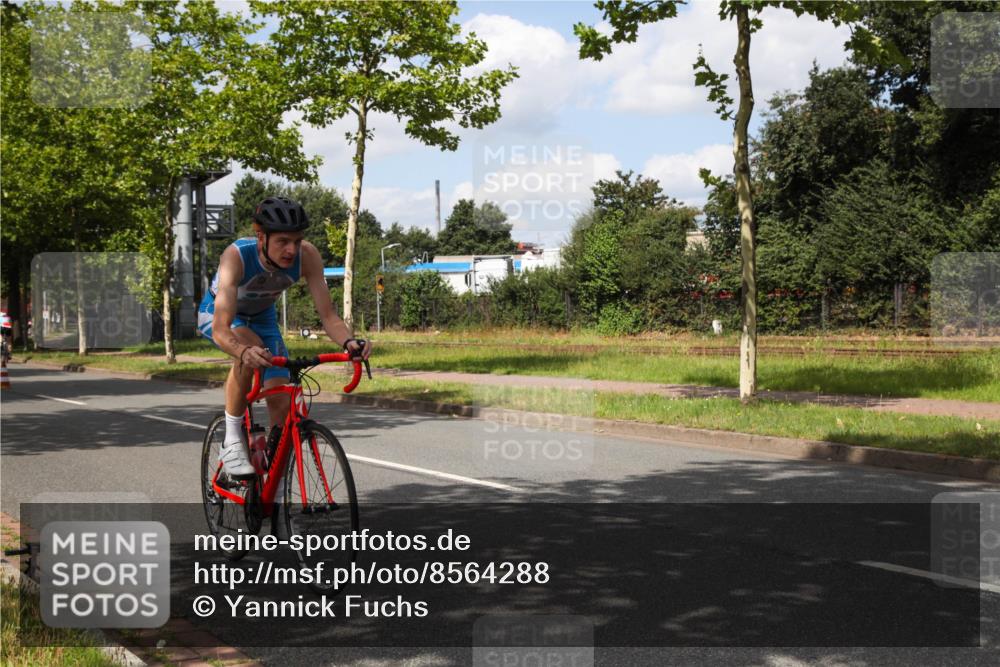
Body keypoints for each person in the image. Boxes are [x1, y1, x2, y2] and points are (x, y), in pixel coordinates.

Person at [198, 196, 370, 478]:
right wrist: (241, 352)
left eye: (297, 240)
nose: (292, 249)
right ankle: (231, 440)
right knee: (250, 349)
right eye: (283, 241)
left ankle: (275, 495)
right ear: (261, 237)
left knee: (281, 397)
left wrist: (350, 343)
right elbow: (221, 328)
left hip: (263, 318)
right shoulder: (236, 256)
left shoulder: (308, 256)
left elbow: (329, 317)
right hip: (222, 315)